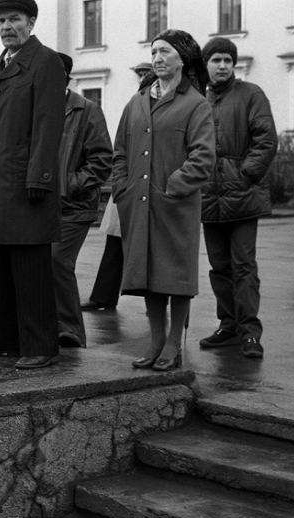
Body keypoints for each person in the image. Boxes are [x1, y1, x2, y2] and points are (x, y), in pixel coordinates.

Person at [0, 0, 66, 369]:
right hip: (0, 179)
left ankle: (40, 346)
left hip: (25, 181)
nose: (6, 26)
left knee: (30, 262)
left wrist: (40, 177)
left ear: (31, 22)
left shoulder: (46, 61)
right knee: (2, 260)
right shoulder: (4, 65)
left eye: (14, 19)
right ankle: (2, 339)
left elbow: (49, 124)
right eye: (1, 20)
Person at [111, 29, 215, 371]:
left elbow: (203, 158)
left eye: (165, 52)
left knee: (176, 275)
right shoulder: (137, 101)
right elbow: (120, 151)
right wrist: (122, 188)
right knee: (147, 273)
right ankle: (156, 341)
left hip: (175, 205)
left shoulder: (195, 104)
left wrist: (173, 186)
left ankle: (174, 344)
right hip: (137, 204)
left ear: (183, 59)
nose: (157, 58)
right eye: (154, 52)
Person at [199, 37, 278, 359]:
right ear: (206, 64)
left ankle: (249, 333)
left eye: (227, 61)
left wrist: (245, 175)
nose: (222, 66)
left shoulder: (250, 94)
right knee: (219, 267)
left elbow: (266, 138)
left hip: (243, 197)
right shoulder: (197, 99)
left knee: (243, 265)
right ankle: (228, 326)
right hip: (207, 197)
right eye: (216, 60)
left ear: (233, 65)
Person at [52, 52, 113, 348]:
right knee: (39, 264)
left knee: (57, 260)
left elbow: (102, 160)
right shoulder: (36, 109)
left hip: (75, 205)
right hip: (40, 204)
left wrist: (71, 184)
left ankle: (71, 328)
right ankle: (47, 324)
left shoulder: (87, 110)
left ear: (66, 77)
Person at [82, 62, 148, 312]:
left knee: (155, 246)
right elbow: (121, 146)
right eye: (140, 75)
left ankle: (162, 300)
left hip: (149, 186)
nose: (141, 78)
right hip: (128, 182)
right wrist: (121, 181)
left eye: (145, 75)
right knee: (114, 243)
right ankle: (103, 295)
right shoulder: (134, 105)